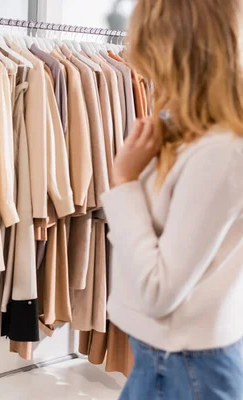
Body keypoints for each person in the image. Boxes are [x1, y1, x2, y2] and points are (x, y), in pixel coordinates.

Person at [101, 1, 243, 399]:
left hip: (183, 364)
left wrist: (124, 180)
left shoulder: (222, 152)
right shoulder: (193, 134)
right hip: (166, 357)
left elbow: (160, 291)